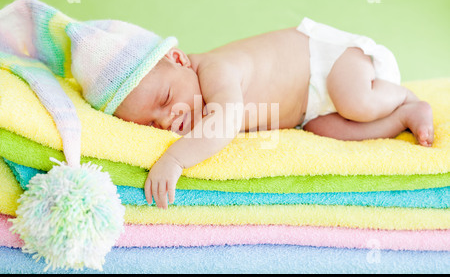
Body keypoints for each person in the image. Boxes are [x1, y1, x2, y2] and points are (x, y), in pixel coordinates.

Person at [114, 17, 434, 209]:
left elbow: (226, 121)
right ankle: (403, 116)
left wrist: (174, 159)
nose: (168, 118)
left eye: (166, 98)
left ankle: (403, 95)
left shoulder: (215, 69)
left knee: (356, 102)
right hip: (308, 110)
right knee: (330, 130)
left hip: (328, 64)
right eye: (152, 123)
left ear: (179, 59)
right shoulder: (193, 94)